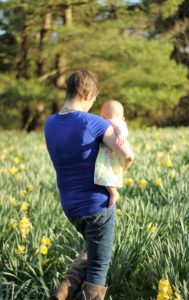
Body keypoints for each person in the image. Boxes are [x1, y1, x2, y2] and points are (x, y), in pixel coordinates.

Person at [44, 70, 134, 300]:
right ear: (86, 94)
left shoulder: (50, 124)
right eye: (94, 99)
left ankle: (63, 293)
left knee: (94, 248)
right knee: (98, 267)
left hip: (70, 206)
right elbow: (126, 154)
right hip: (97, 206)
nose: (93, 104)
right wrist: (121, 169)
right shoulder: (93, 122)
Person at [94, 100, 133, 208]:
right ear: (123, 117)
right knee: (113, 171)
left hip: (110, 152)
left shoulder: (110, 121)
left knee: (105, 172)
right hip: (116, 152)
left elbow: (118, 128)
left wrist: (120, 135)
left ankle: (113, 192)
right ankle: (114, 191)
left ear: (102, 115)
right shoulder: (121, 121)